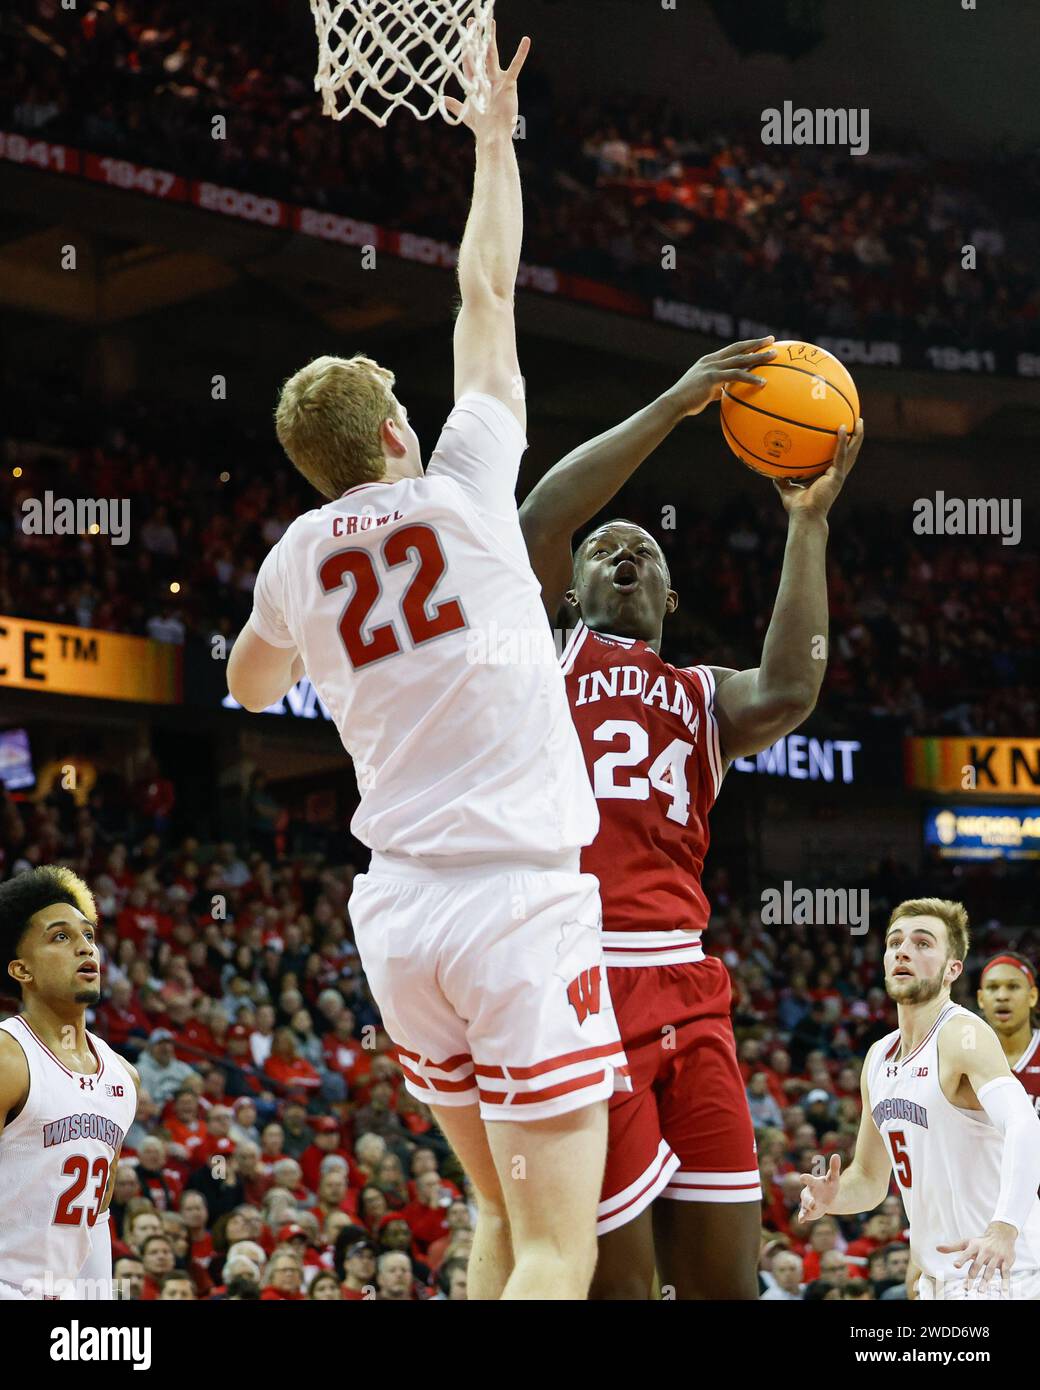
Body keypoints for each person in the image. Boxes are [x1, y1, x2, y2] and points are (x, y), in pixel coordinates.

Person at [225, 31, 626, 1303]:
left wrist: (299, 640)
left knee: (499, 1224)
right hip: (515, 901)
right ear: (399, 430)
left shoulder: (291, 555)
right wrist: (493, 141)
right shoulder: (459, 490)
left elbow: (241, 686)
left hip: (397, 914)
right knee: (563, 1245)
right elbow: (486, 294)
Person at [518, 342, 864, 1299]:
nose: (621, 552)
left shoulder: (703, 694)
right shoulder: (542, 654)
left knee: (728, 1288)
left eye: (645, 551)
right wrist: (673, 405)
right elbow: (544, 515)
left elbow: (794, 684)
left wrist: (807, 525)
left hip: (688, 981)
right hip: (580, 977)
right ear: (572, 588)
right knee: (619, 1290)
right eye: (604, 549)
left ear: (670, 598)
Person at [799, 898, 1040, 1300]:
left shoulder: (962, 1035)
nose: (904, 951)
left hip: (1002, 1274)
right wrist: (831, 1198)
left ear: (953, 969)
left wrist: (1004, 1227)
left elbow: (1024, 1124)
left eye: (923, 943)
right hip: (941, 1279)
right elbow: (871, 1181)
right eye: (895, 943)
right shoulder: (877, 1057)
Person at [0, 866, 139, 1300]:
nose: (85, 948)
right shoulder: (9, 1060)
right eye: (61, 937)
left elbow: (94, 1218)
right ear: (22, 970)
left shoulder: (123, 1076)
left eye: (88, 936)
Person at [976, 952, 1040, 1115]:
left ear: (1032, 996)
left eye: (1013, 986)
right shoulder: (964, 1055)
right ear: (981, 999)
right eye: (992, 987)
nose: (1002, 996)